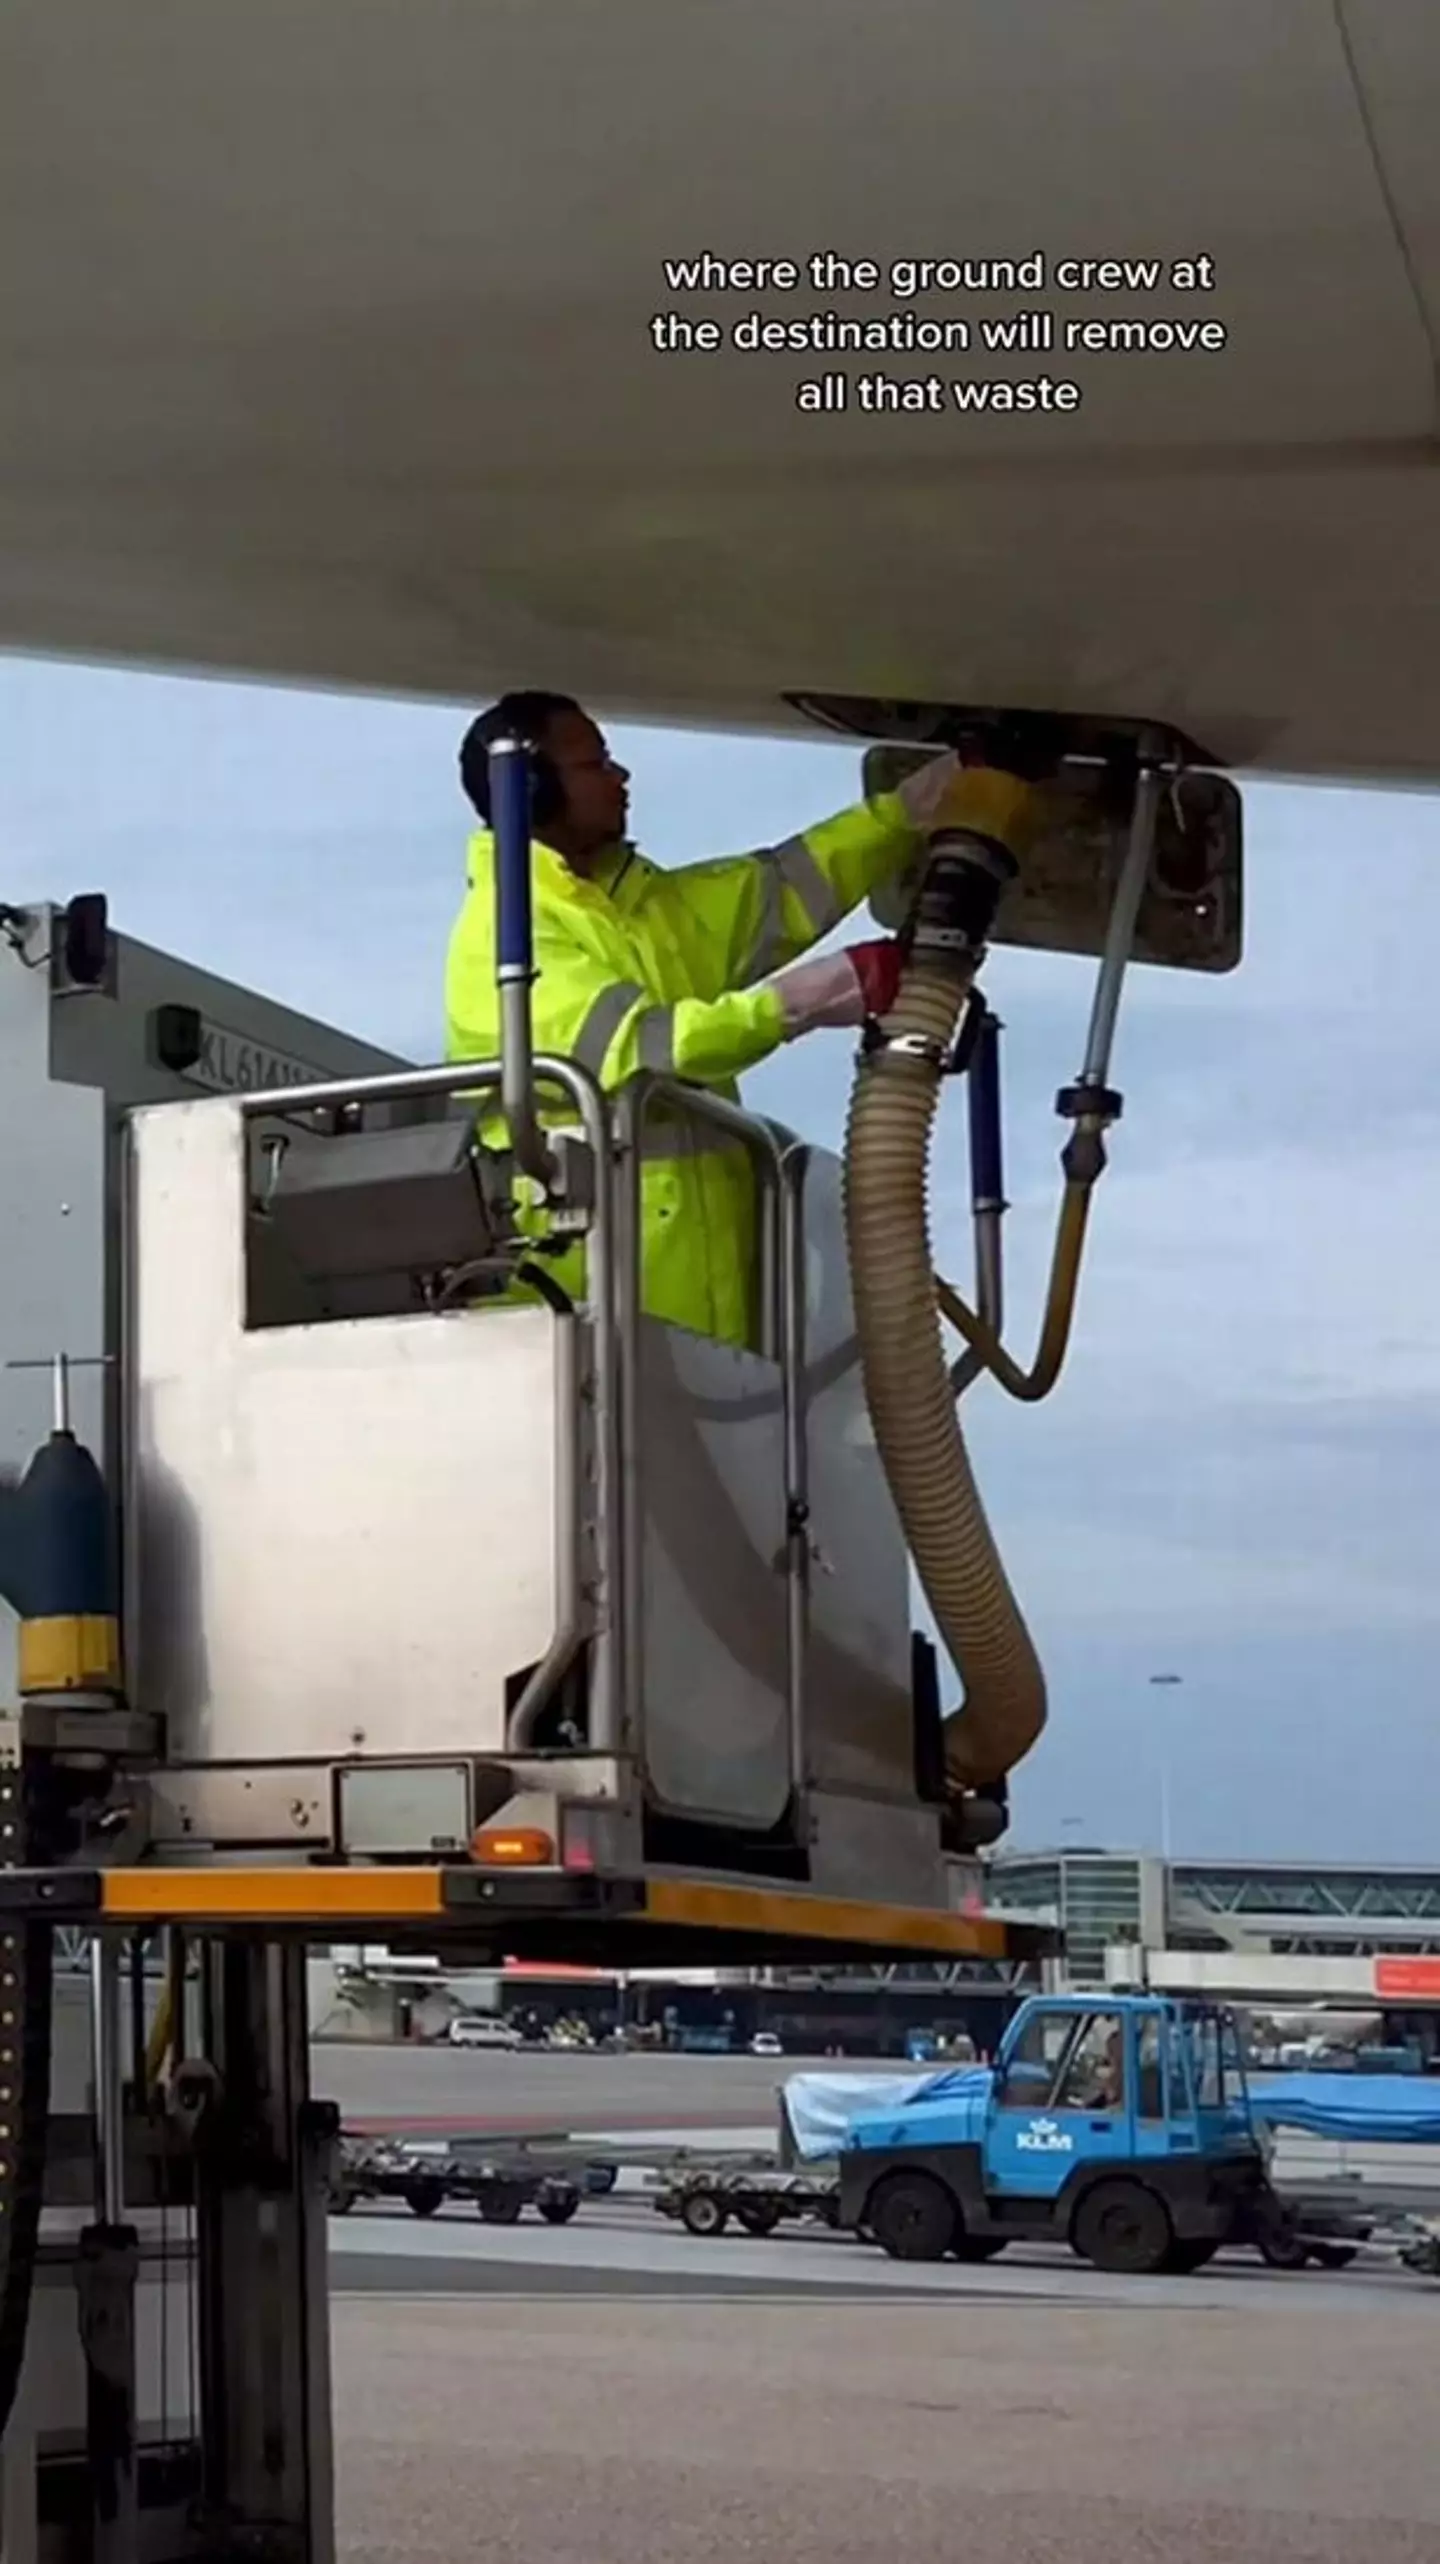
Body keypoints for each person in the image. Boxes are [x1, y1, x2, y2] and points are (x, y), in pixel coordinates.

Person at [445, 690, 1018, 1347]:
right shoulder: (503, 935)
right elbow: (648, 1049)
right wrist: (812, 995)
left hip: (700, 1319)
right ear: (533, 788)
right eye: (596, 764)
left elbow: (781, 890)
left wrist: (909, 809)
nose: (620, 776)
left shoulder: (638, 910)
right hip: (591, 1314)